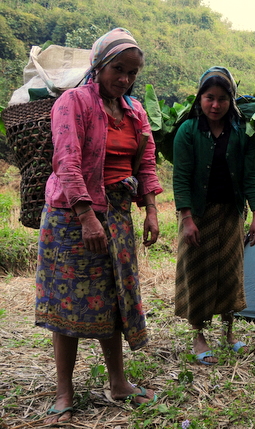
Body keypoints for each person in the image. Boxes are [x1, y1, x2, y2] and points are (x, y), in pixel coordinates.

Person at [36, 28, 162, 424]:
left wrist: (152, 209)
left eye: (131, 73)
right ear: (98, 65)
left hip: (119, 215)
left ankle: (119, 382)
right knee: (69, 302)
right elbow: (67, 161)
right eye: (117, 69)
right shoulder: (74, 103)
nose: (124, 79)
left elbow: (146, 160)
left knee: (113, 300)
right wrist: (87, 216)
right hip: (71, 220)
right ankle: (64, 391)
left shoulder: (134, 110)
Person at [173, 66, 255, 365]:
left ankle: (229, 333)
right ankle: (198, 335)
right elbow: (181, 177)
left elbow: (252, 175)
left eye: (222, 98)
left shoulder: (241, 132)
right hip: (198, 214)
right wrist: (186, 219)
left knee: (230, 272)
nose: (215, 105)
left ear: (231, 100)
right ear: (200, 98)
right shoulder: (188, 131)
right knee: (197, 272)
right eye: (209, 97)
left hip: (231, 213)